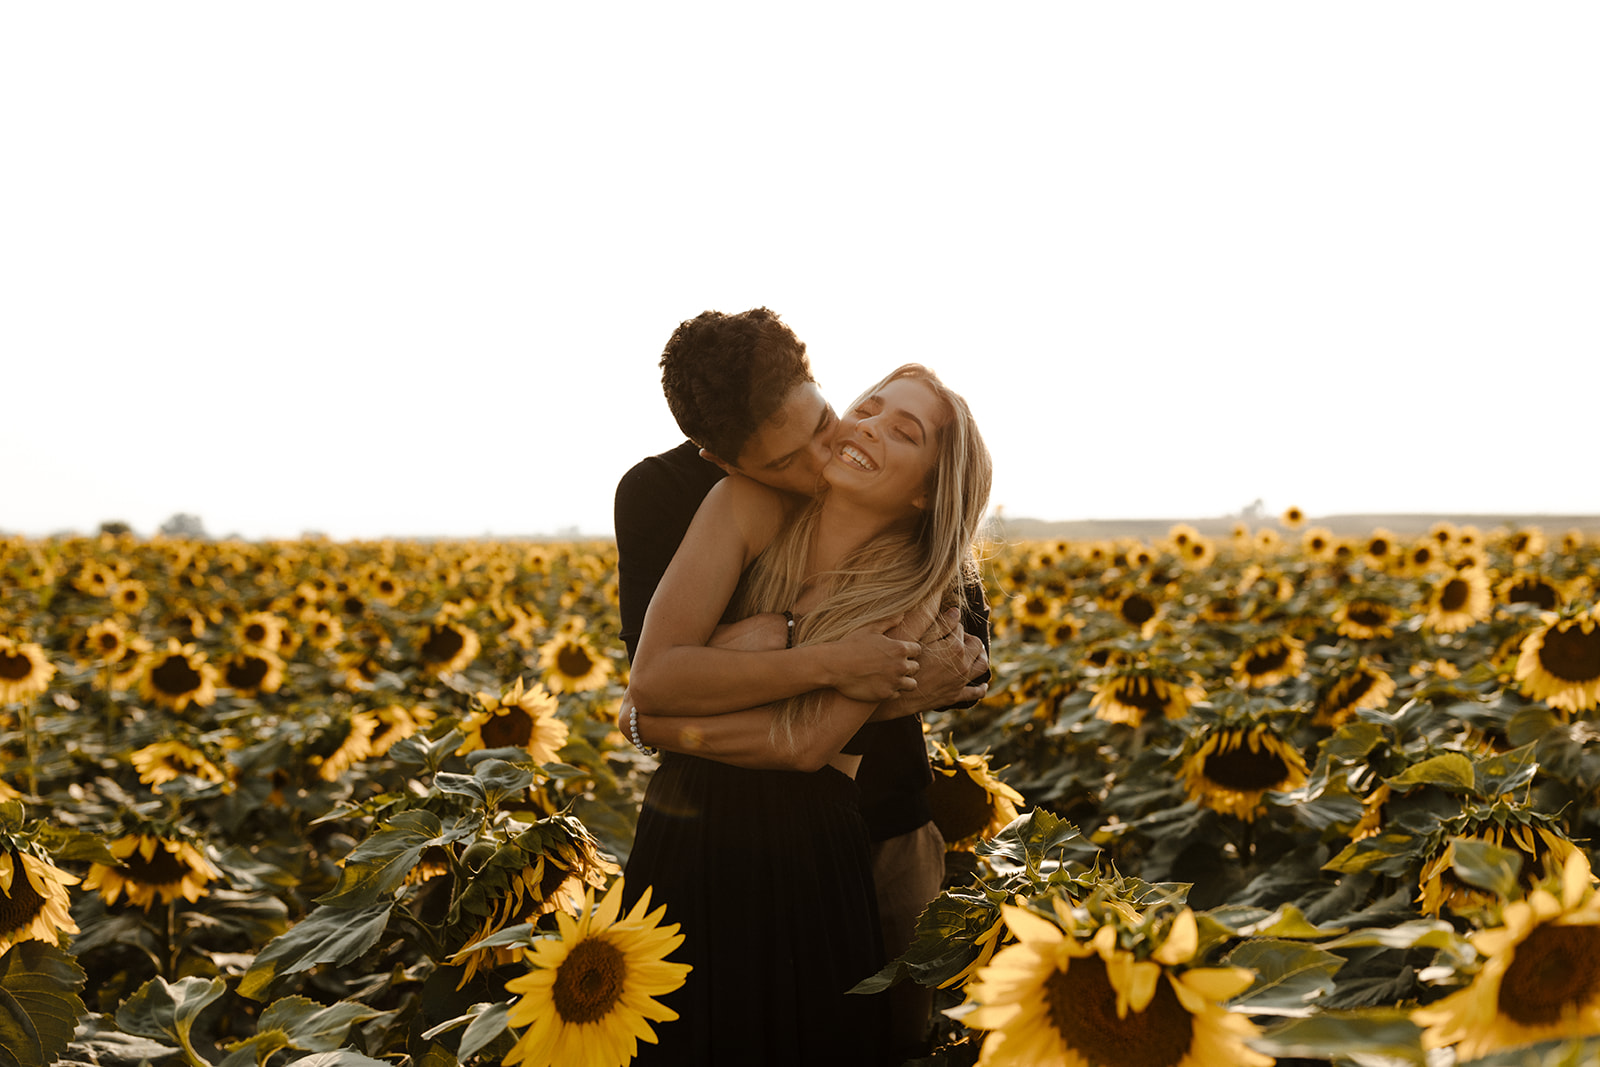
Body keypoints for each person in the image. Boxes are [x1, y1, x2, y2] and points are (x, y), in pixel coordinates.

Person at [613, 309, 990, 1059]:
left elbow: (963, 657)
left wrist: (690, 694)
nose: (829, 450)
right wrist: (821, 655)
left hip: (861, 827)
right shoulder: (693, 496)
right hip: (693, 831)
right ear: (720, 459)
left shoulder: (910, 564)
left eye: (830, 417)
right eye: (789, 458)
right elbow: (653, 684)